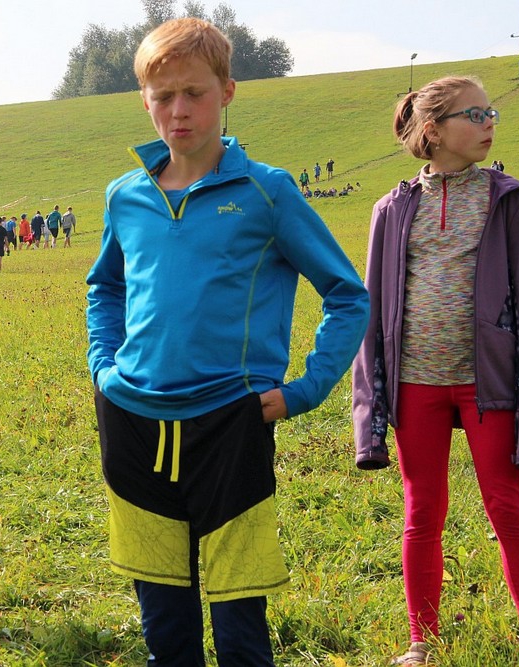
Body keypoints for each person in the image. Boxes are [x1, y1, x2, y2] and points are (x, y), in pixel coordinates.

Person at [86, 18, 369, 666]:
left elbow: (347, 294)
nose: (178, 111)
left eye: (194, 93)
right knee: (164, 621)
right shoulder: (125, 196)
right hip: (132, 422)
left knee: (240, 623)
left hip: (231, 423)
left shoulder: (267, 192)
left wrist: (304, 390)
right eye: (163, 96)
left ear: (228, 91)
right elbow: (106, 288)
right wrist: (104, 366)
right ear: (145, 101)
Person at [352, 76, 519, 666]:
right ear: (433, 130)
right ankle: (422, 641)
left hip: (489, 384)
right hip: (416, 383)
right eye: (475, 114)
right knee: (422, 511)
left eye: (491, 112)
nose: (489, 123)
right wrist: (370, 406)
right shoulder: (391, 209)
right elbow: (371, 311)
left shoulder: (509, 200)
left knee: (507, 505)